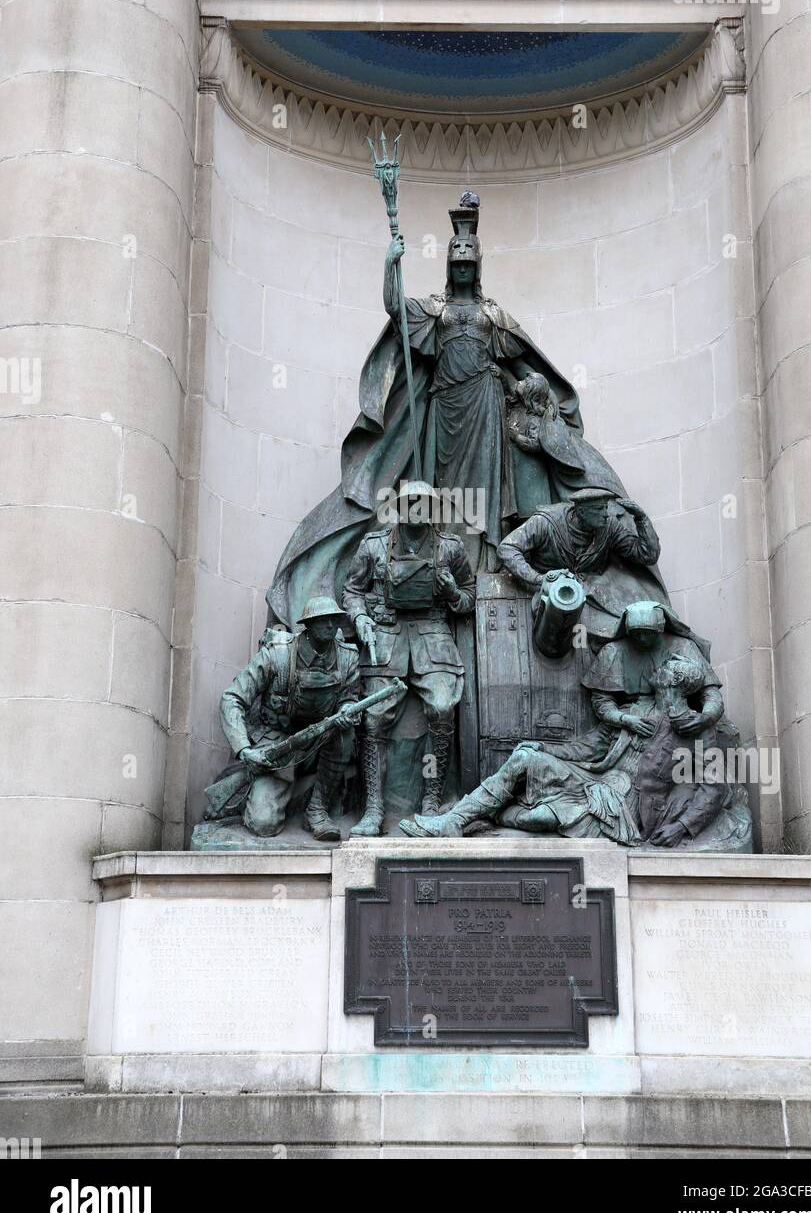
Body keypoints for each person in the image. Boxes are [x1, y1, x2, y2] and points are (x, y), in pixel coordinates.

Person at [266, 194, 626, 628]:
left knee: (486, 493)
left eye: (468, 265)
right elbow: (397, 311)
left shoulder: (492, 316)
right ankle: (449, 562)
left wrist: (534, 391)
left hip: (486, 409)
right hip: (444, 408)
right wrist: (390, 267)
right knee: (444, 491)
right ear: (448, 267)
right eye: (456, 264)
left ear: (476, 268)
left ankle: (488, 565)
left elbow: (525, 366)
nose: (461, 269)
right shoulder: (435, 310)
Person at [400, 601, 742, 850]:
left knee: (541, 820)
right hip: (594, 780)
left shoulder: (697, 732)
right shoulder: (635, 711)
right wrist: (542, 747)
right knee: (525, 758)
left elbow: (715, 788)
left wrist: (682, 826)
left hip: (626, 807)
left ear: (674, 684)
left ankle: (484, 817)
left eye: (662, 674)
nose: (654, 673)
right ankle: (455, 821)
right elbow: (589, 746)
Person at [342, 480, 475, 835]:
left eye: (425, 502)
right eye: (410, 502)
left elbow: (469, 599)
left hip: (433, 636)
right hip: (386, 636)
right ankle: (373, 810)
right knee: (373, 718)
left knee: (443, 708)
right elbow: (352, 590)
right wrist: (361, 618)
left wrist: (451, 592)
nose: (417, 508)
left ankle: (431, 798)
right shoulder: (374, 546)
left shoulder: (450, 548)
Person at [210, 599, 361, 842]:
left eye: (334, 619)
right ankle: (250, 794)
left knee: (345, 735)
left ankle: (317, 810)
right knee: (263, 824)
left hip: (320, 742)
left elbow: (350, 697)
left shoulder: (347, 658)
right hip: (277, 745)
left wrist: (347, 709)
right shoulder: (277, 655)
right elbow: (232, 698)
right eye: (324, 620)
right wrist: (245, 750)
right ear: (308, 625)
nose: (331, 625)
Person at [498, 487, 666, 643]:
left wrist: (641, 519)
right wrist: (539, 579)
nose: (606, 514)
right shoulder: (546, 522)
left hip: (594, 596)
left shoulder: (609, 527)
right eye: (599, 509)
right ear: (581, 512)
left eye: (606, 508)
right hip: (549, 596)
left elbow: (647, 554)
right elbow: (507, 548)